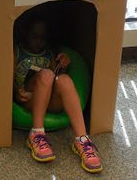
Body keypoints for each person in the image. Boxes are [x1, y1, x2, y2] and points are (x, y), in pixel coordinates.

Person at [13, 15, 102, 173]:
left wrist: (63, 65)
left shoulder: (49, 54)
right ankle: (36, 133)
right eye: (34, 36)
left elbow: (57, 77)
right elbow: (6, 78)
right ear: (24, 34)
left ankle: (82, 140)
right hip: (29, 99)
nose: (38, 41)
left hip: (48, 100)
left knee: (64, 80)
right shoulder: (17, 51)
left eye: (42, 38)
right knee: (46, 74)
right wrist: (15, 91)